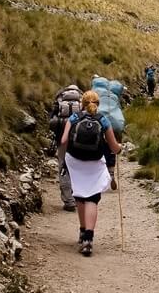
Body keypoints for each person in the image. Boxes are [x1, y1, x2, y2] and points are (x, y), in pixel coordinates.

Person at [59, 90, 122, 256]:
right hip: (94, 163)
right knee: (92, 198)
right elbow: (114, 147)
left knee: (80, 195)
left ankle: (81, 231)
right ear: (98, 104)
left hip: (75, 161)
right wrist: (120, 148)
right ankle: (88, 239)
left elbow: (64, 141)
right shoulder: (103, 120)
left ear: (82, 103)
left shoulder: (74, 118)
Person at [47, 84, 82, 211]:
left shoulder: (59, 99)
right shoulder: (81, 99)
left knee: (63, 168)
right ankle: (79, 197)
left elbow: (51, 121)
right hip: (78, 142)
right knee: (77, 168)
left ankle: (68, 201)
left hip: (62, 141)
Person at [91, 75, 127, 190]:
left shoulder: (96, 95)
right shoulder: (114, 96)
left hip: (101, 123)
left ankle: (99, 175)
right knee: (112, 148)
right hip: (115, 124)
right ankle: (111, 173)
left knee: (100, 149)